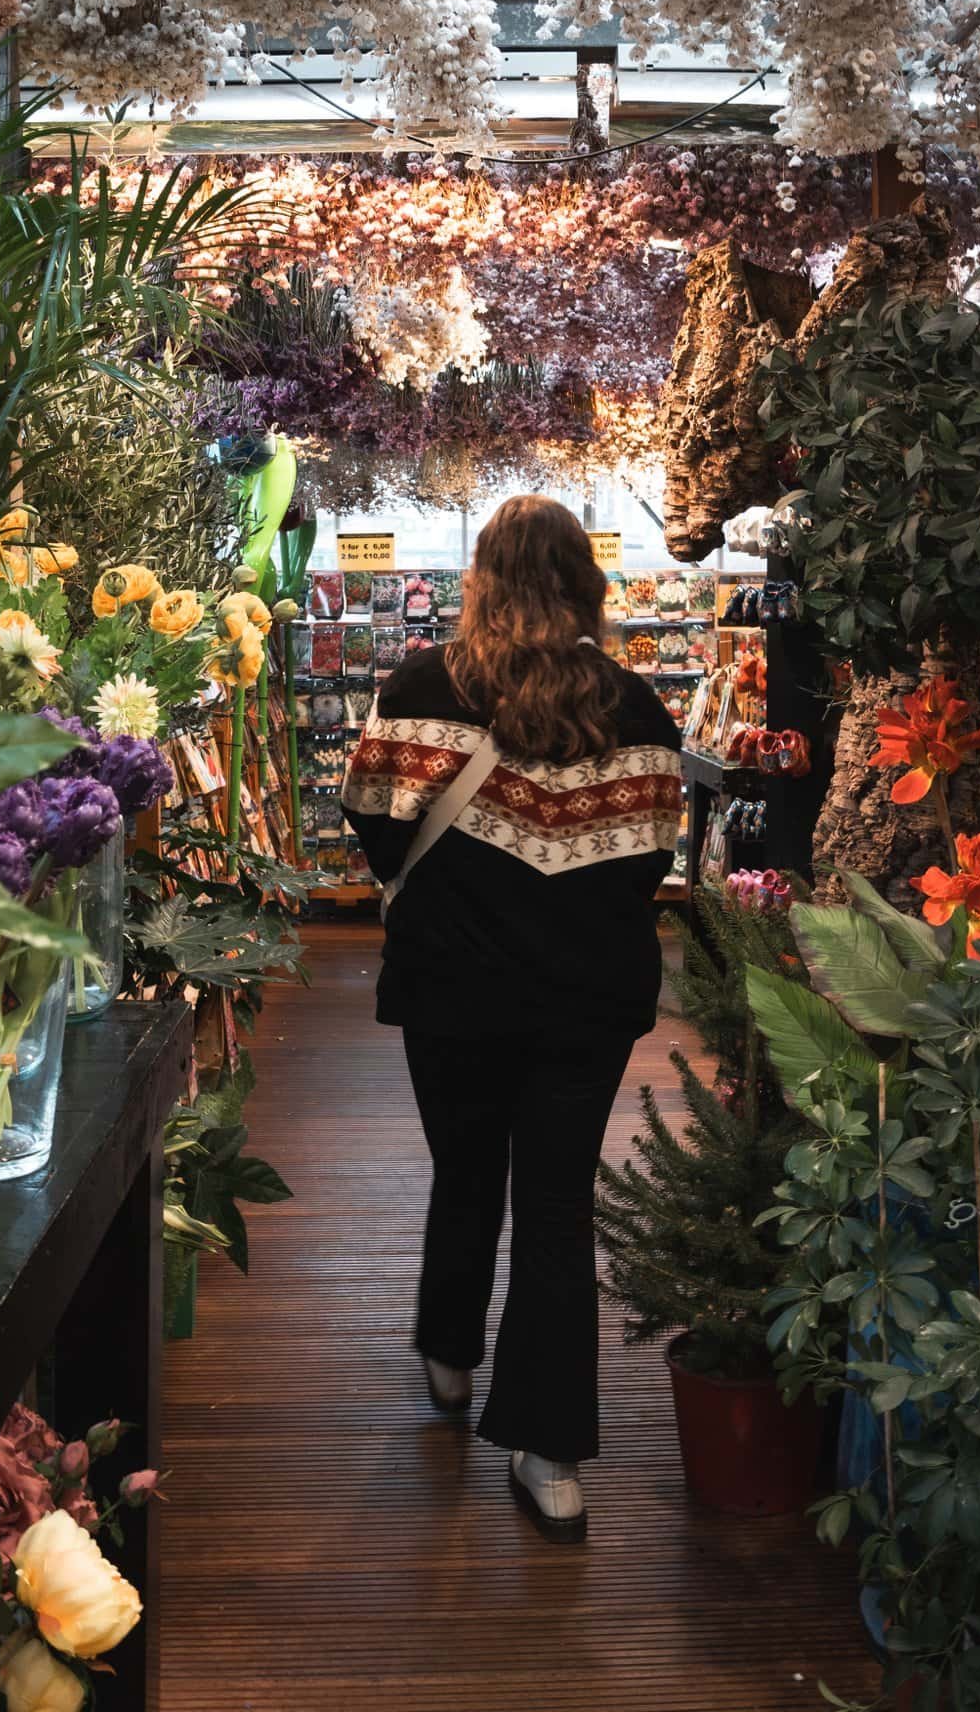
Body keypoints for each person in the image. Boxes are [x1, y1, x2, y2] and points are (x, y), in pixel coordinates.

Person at [340, 495, 682, 1542]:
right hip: (586, 999)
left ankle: (449, 1353)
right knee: (555, 1206)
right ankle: (552, 1456)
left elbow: (372, 823)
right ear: (584, 583)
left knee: (465, 1166)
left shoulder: (419, 684)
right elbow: (651, 858)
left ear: (481, 578)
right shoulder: (636, 708)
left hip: (454, 986)